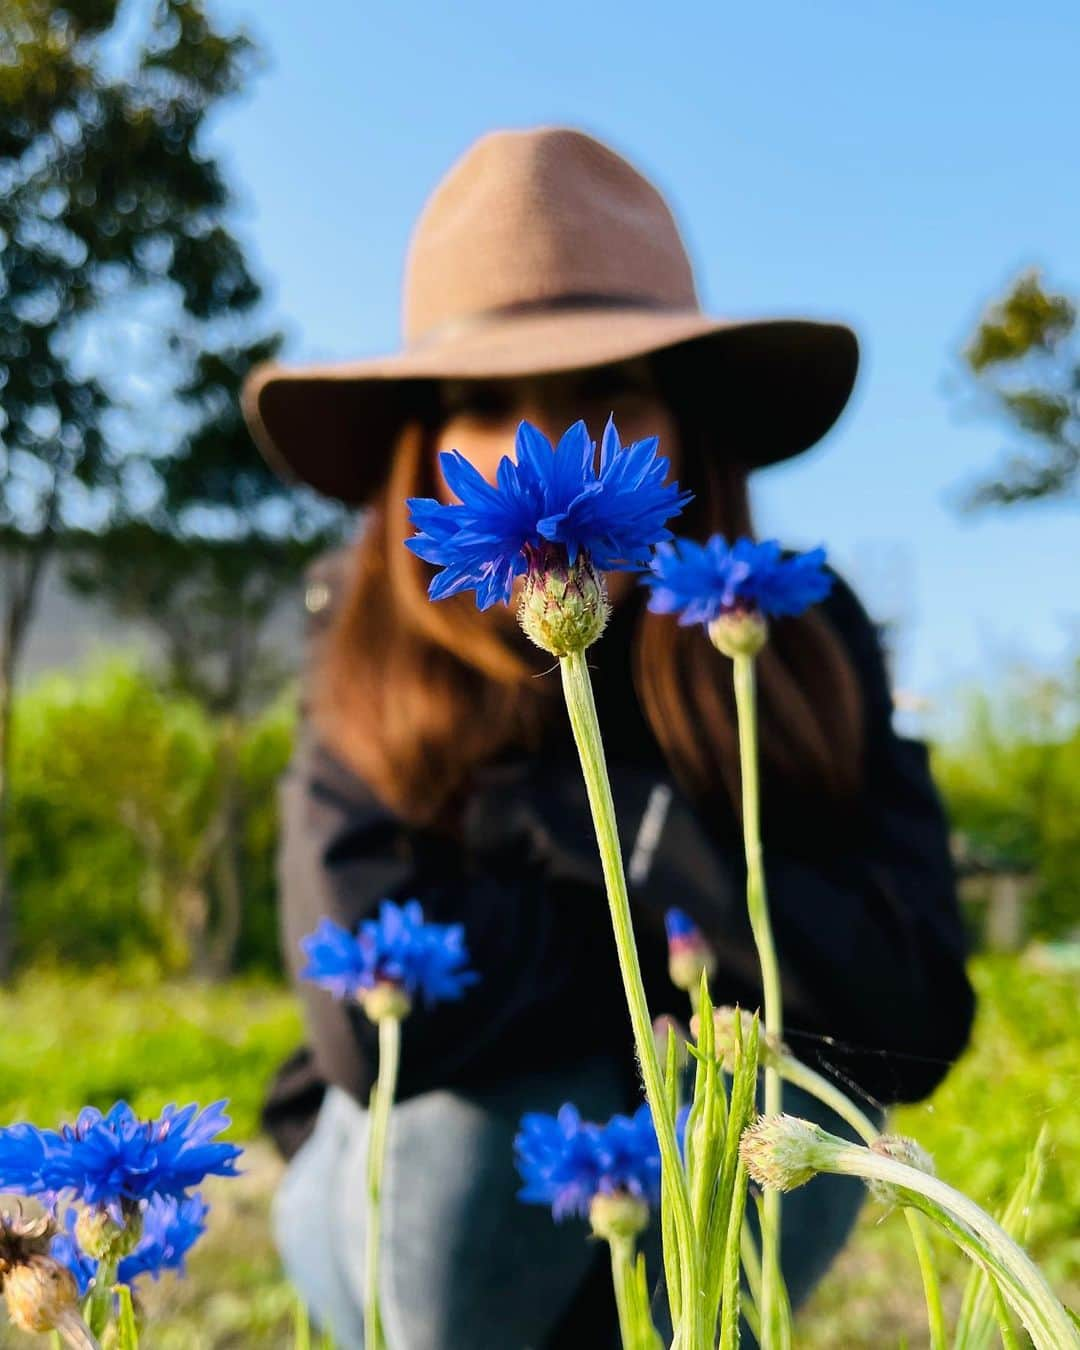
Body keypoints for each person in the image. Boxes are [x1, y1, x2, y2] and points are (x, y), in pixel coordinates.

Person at [240, 127, 975, 1349]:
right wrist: (706, 927)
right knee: (471, 1120)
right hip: (426, 1239)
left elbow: (912, 1006)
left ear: (687, 429)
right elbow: (379, 1028)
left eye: (608, 393)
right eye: (486, 403)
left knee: (759, 1102)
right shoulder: (365, 663)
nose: (554, 453)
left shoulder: (794, 635)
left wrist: (593, 829)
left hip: (700, 1210)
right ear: (423, 446)